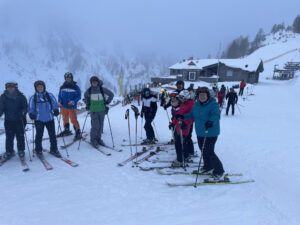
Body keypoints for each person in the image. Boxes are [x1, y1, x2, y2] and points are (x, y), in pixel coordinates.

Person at [178, 86, 224, 180]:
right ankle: (208, 166)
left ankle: (219, 170)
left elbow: (216, 115)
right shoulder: (196, 105)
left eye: (204, 95)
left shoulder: (213, 104)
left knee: (209, 151)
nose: (202, 97)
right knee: (203, 150)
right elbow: (192, 114)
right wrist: (183, 116)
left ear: (208, 95)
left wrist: (211, 121)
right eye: (200, 95)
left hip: (210, 132)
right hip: (200, 132)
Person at [28, 80, 62, 158]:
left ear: (44, 87)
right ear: (36, 88)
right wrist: (31, 114)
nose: (40, 88)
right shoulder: (33, 97)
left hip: (49, 118)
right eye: (38, 87)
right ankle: (38, 150)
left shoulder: (49, 95)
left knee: (52, 135)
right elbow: (30, 108)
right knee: (39, 135)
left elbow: (54, 104)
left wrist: (56, 110)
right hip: (39, 119)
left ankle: (54, 149)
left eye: (41, 86)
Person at [84, 76, 114, 148]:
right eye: (93, 82)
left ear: (98, 82)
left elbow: (111, 94)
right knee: (95, 126)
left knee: (100, 126)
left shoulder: (102, 89)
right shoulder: (89, 90)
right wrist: (88, 104)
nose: (94, 83)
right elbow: (85, 96)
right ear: (91, 83)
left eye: (95, 82)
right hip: (94, 111)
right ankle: (93, 139)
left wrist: (107, 103)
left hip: (102, 110)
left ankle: (98, 139)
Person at [0, 81, 27, 160]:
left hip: (19, 120)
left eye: (12, 87)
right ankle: (9, 151)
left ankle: (21, 150)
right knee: (9, 137)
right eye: (9, 87)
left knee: (20, 136)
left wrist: (23, 112)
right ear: (6, 88)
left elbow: (25, 106)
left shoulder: (21, 96)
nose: (10, 89)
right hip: (8, 120)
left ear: (15, 88)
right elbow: (1, 107)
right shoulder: (3, 97)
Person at [170, 90, 194, 166]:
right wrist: (173, 123)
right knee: (182, 142)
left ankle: (180, 160)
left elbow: (192, 117)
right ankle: (185, 156)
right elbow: (178, 115)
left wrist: (185, 123)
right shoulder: (183, 104)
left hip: (184, 127)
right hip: (178, 126)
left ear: (186, 97)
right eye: (180, 98)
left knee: (179, 143)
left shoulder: (191, 104)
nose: (180, 99)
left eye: (182, 97)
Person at [58, 72, 82, 140]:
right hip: (64, 107)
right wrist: (59, 101)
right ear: (65, 78)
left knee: (73, 120)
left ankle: (78, 132)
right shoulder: (62, 87)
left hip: (71, 107)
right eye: (67, 78)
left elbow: (79, 96)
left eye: (69, 78)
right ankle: (66, 130)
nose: (68, 79)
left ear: (71, 78)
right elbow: (59, 95)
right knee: (65, 119)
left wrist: (73, 101)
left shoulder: (75, 87)